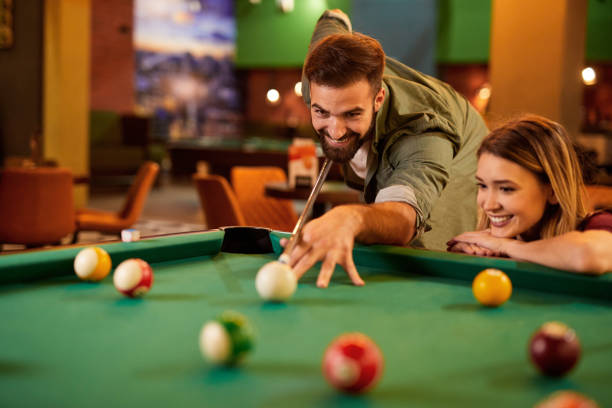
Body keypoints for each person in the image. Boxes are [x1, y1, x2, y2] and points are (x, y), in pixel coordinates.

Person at [282, 10, 489, 287]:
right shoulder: (316, 75)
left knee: (416, 253)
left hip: (463, 155)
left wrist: (351, 216)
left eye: (352, 114)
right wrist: (336, 18)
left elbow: (403, 217)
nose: (335, 130)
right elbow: (332, 20)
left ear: (378, 98)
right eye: (322, 112)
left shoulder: (423, 130)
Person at [447, 115, 612, 275]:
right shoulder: (490, 243)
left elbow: (585, 255)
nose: (489, 205)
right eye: (483, 185)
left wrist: (504, 246)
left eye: (506, 189)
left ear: (553, 191)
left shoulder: (599, 224)